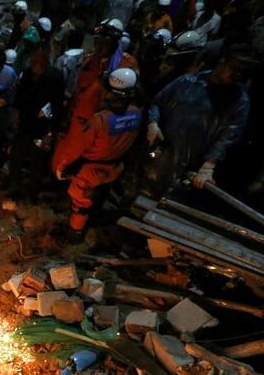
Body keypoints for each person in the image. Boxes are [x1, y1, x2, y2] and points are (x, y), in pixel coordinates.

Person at [143, 44, 253, 195]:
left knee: (166, 199)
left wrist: (209, 164)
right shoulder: (187, 82)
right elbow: (158, 102)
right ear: (222, 62)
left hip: (189, 165)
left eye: (242, 72)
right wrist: (152, 123)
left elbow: (229, 135)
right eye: (234, 68)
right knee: (140, 190)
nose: (238, 75)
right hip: (160, 151)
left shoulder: (238, 100)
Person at [52, 68, 142, 240]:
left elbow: (77, 147)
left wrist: (63, 165)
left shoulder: (99, 120)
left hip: (90, 171)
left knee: (81, 204)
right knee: (99, 196)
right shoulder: (136, 114)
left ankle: (74, 235)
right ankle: (92, 222)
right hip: (115, 167)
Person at [62, 18, 138, 155]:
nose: (99, 46)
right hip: (76, 124)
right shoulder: (89, 60)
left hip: (97, 129)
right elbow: (78, 91)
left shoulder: (126, 66)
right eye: (98, 40)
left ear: (114, 43)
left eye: (104, 42)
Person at [9, 44, 65, 199]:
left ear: (45, 59)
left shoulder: (55, 77)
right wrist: (16, 112)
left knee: (37, 161)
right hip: (26, 123)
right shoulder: (27, 74)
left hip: (42, 126)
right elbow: (19, 96)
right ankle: (14, 185)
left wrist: (51, 131)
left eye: (37, 59)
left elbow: (58, 106)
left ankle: (32, 192)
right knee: (16, 156)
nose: (34, 62)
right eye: (32, 58)